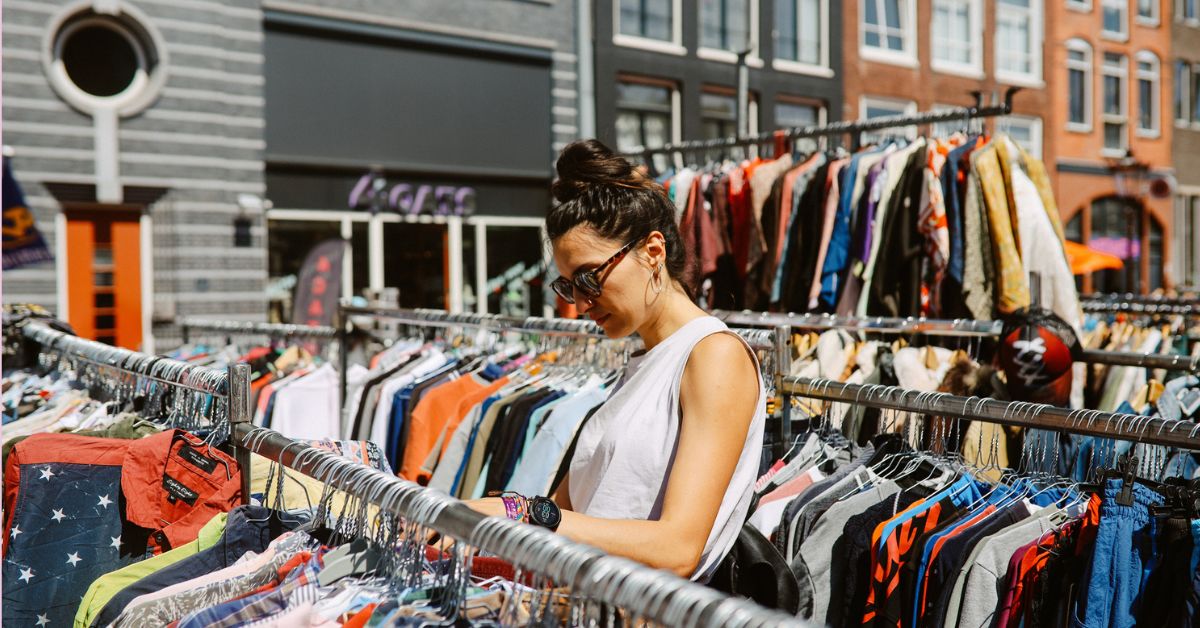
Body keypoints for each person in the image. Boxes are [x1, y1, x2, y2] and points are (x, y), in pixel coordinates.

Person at [464, 139, 767, 582]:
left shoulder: (713, 356)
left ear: (653, 252)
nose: (581, 302)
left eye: (589, 277)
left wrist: (523, 511)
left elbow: (678, 548)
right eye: (569, 286)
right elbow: (573, 512)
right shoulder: (643, 363)